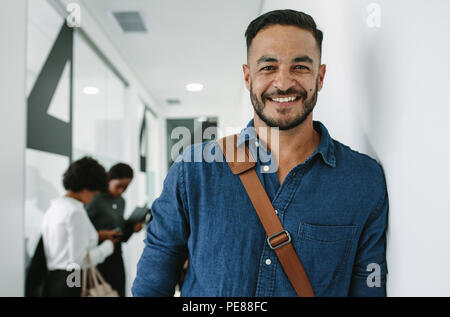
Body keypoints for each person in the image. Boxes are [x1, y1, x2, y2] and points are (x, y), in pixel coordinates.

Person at [132, 9, 388, 297]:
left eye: (300, 67)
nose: (283, 83)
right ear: (247, 77)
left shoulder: (362, 179)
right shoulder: (193, 171)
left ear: (320, 76)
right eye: (268, 67)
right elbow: (152, 283)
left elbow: (368, 287)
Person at [41, 157, 120, 297]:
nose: (93, 197)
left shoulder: (54, 208)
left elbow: (63, 244)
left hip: (53, 280)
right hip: (72, 280)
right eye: (94, 193)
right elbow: (78, 261)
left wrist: (99, 235)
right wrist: (108, 246)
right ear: (86, 188)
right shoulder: (75, 212)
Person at [86, 163, 144, 297]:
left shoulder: (121, 202)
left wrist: (131, 229)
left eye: (125, 187)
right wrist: (99, 235)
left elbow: (122, 234)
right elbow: (83, 230)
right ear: (109, 180)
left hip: (116, 255)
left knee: (117, 292)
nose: (122, 191)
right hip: (98, 255)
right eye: (119, 186)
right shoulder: (95, 199)